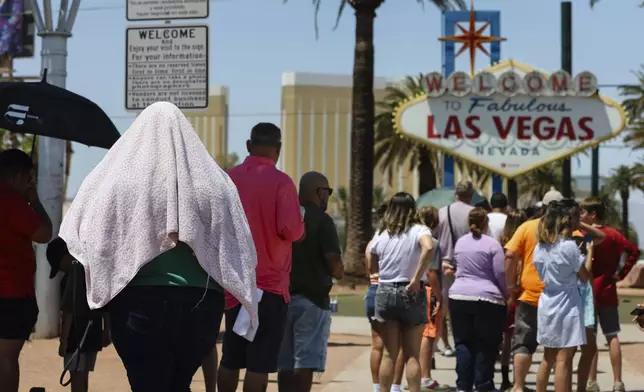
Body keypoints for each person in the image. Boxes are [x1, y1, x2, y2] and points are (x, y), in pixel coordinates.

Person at [58, 102, 258, 392]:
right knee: (179, 383)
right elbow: (235, 239)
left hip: (140, 302)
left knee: (147, 383)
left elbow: (93, 233)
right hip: (202, 306)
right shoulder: (215, 182)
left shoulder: (118, 179)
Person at [219, 122, 305, 392]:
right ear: (277, 150)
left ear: (248, 145)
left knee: (231, 359)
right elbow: (291, 230)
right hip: (268, 287)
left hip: (234, 284)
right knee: (260, 362)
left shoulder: (227, 179)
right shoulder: (282, 183)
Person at [277, 171, 343, 392]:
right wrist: (340, 271)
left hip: (282, 297)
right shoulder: (322, 220)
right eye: (328, 192)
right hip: (312, 299)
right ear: (318, 192)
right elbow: (333, 260)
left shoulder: (285, 214)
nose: (328, 197)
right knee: (304, 361)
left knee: (284, 362)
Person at [369, 192, 435, 392]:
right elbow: (429, 247)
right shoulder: (419, 230)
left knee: (389, 353)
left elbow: (370, 252)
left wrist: (374, 274)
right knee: (412, 354)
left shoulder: (382, 232)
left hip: (386, 289)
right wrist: (416, 278)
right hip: (410, 291)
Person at [0, 148, 53, 392]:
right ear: (18, 176)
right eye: (30, 178)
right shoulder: (10, 200)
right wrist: (34, 201)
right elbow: (44, 233)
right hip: (11, 294)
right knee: (6, 359)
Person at [504, 187, 564, 392]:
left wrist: (510, 285)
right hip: (558, 296)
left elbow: (510, 256)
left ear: (544, 207)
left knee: (523, 341)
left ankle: (519, 386)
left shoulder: (527, 227)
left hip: (529, 294)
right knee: (554, 347)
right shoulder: (567, 231)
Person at [578, 197, 639, 392]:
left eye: (583, 213)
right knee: (612, 335)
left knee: (591, 338)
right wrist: (620, 274)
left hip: (587, 292)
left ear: (593, 214)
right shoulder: (613, 235)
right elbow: (633, 251)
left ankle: (592, 381)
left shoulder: (583, 235)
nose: (580, 216)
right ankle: (618, 382)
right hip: (607, 290)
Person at [533, 201, 593, 392]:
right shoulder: (568, 247)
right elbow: (584, 277)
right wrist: (590, 253)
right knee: (564, 358)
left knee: (547, 357)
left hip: (547, 299)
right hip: (567, 302)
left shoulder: (539, 248)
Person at [449, 208, 508, 392]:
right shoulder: (492, 245)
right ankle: (483, 385)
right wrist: (505, 294)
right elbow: (499, 273)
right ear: (486, 223)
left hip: (458, 296)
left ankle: (462, 386)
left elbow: (457, 267)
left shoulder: (460, 243)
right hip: (487, 298)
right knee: (486, 343)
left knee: (463, 342)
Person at [46, 237, 110, 392]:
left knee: (76, 375)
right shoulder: (93, 269)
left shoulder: (73, 273)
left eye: (60, 265)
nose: (61, 270)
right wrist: (106, 331)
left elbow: (68, 311)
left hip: (77, 332)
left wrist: (64, 340)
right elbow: (106, 305)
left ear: (67, 254)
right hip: (93, 329)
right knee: (84, 373)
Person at [436, 180, 475, 357]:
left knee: (442, 307)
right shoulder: (474, 214)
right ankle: (466, 344)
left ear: (455, 194)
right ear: (470, 194)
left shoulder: (442, 212)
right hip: (468, 265)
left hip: (445, 264)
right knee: (467, 307)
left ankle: (439, 344)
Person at [497, 209, 527, 390]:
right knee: (520, 340)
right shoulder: (525, 243)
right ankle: (518, 381)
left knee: (507, 340)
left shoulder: (502, 244)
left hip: (504, 294)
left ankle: (506, 378)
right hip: (521, 294)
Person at [365, 204, 388, 392]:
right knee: (394, 348)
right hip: (388, 290)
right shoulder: (391, 240)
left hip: (373, 290)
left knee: (377, 345)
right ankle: (392, 387)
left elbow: (370, 270)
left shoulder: (372, 243)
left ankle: (376, 386)